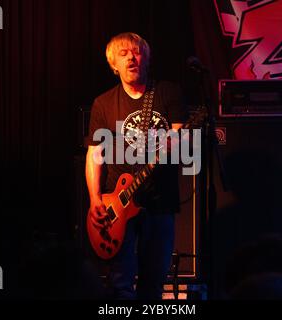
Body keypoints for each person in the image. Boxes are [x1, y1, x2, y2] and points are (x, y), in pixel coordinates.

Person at [85, 32, 185, 299]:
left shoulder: (167, 92)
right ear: (113, 64)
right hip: (117, 204)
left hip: (159, 201)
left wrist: (177, 142)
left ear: (146, 59)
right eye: (123, 53)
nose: (131, 57)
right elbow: (95, 154)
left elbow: (180, 139)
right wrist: (95, 199)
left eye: (137, 52)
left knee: (153, 284)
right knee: (120, 285)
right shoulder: (103, 103)